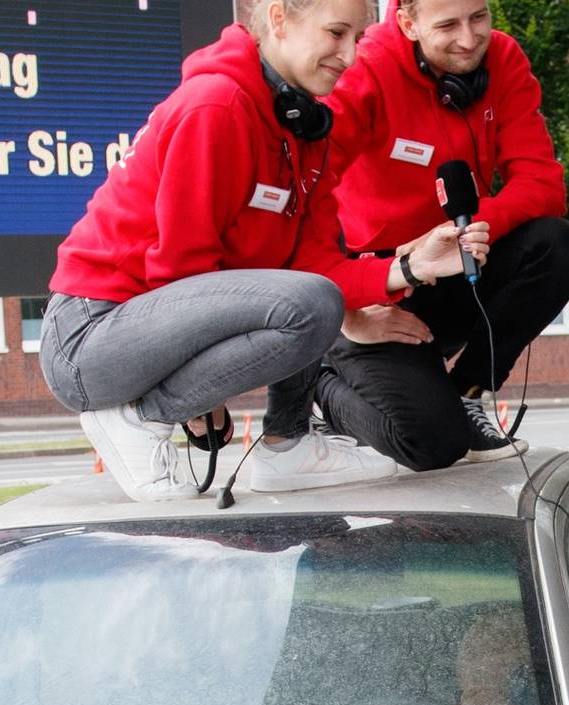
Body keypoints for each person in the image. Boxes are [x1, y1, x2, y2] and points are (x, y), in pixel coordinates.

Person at [40, 0, 493, 500]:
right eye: (337, 33)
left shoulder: (305, 125)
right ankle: (139, 417)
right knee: (307, 302)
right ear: (279, 19)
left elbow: (313, 264)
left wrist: (408, 267)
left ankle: (286, 443)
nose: (350, 55)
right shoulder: (216, 106)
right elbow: (179, 270)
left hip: (165, 318)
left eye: (359, 38)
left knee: (308, 293)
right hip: (91, 339)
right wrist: (190, 401)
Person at [266, 0, 569, 472]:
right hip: (378, 290)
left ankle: (471, 392)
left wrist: (461, 237)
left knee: (559, 244)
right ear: (407, 23)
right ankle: (323, 384)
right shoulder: (367, 68)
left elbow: (542, 185)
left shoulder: (504, 59)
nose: (468, 38)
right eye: (448, 25)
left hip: (452, 262)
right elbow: (305, 194)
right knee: (433, 445)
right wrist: (349, 309)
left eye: (479, 18)